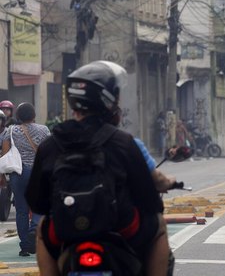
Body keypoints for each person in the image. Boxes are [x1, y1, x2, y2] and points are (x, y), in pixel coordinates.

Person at [25, 60, 170, 276]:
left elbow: (36, 201)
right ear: (108, 99)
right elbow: (149, 199)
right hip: (122, 228)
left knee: (42, 230)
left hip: (67, 231)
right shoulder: (123, 142)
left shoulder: (51, 144)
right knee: (158, 225)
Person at [0, 102, 50, 256]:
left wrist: (2, 175)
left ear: (18, 116)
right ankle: (34, 227)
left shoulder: (11, 131)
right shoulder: (44, 130)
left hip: (18, 174)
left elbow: (5, 154)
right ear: (33, 116)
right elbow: (50, 151)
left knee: (21, 210)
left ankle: (25, 246)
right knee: (38, 205)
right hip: (38, 173)